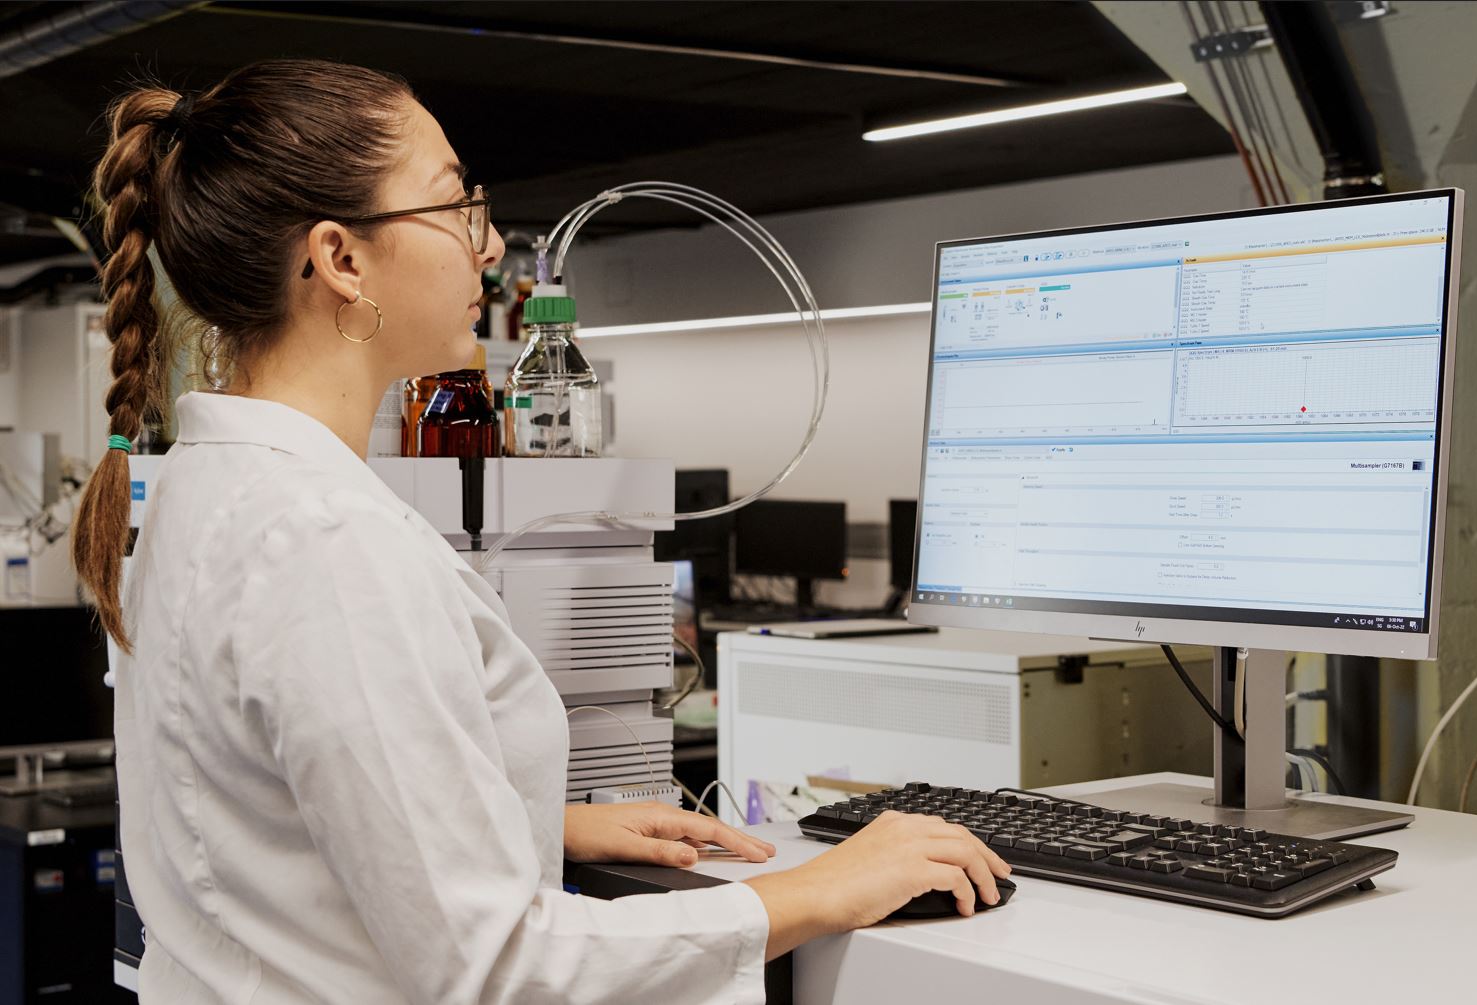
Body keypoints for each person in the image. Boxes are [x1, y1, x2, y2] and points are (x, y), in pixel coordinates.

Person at [74, 59, 1010, 1003]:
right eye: (454, 206)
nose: (487, 248)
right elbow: (495, 968)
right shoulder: (324, 539)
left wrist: (528, 820)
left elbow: (250, 812)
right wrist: (809, 891)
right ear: (341, 260)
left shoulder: (207, 485)